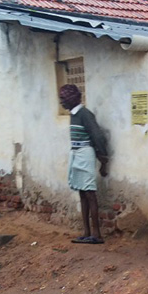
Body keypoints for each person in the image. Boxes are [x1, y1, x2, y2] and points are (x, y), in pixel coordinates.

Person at [58, 84, 109, 244]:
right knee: (82, 192)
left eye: (64, 99)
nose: (62, 102)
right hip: (76, 154)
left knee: (90, 194)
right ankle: (86, 231)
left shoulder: (84, 114)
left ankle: (96, 234)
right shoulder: (74, 115)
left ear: (73, 98)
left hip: (85, 154)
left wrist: (103, 158)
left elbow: (98, 136)